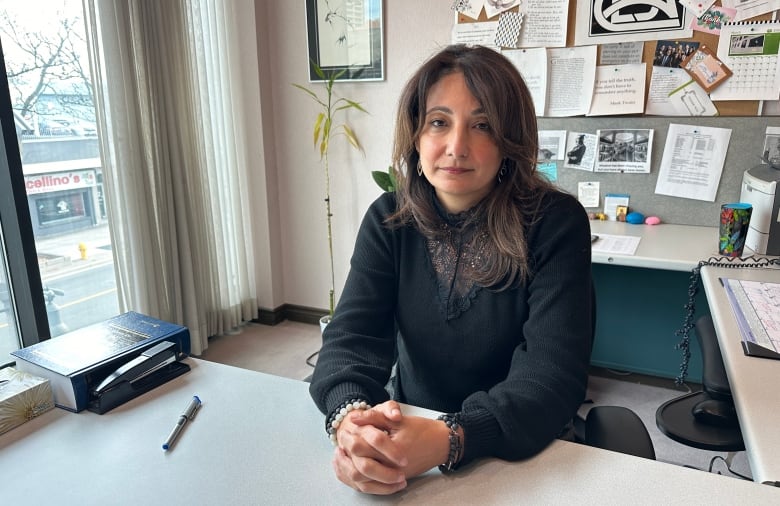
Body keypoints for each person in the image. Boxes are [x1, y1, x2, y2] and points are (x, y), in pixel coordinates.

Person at [309, 44, 593, 495]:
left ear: (508, 141)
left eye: (482, 126)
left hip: (518, 451)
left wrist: (452, 438)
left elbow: (551, 375)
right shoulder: (389, 218)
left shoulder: (554, 223)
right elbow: (349, 339)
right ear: (417, 134)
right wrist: (352, 422)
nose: (456, 147)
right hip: (409, 439)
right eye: (439, 122)